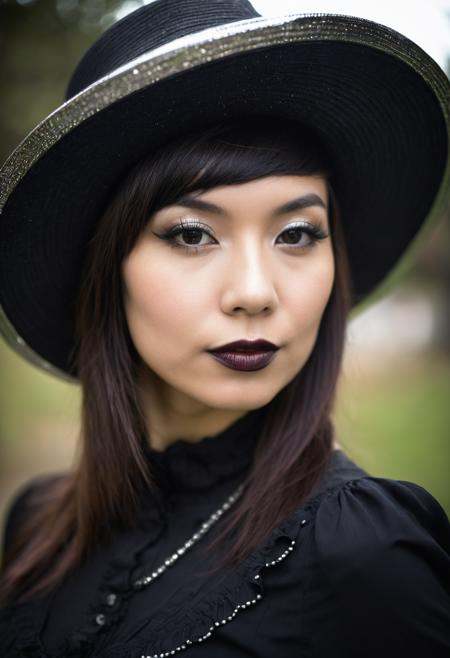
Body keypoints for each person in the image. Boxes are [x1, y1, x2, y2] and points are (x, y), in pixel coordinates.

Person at [0, 1, 449, 656]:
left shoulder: (364, 555)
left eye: (297, 234)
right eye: (191, 234)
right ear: (106, 266)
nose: (254, 293)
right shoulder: (37, 525)